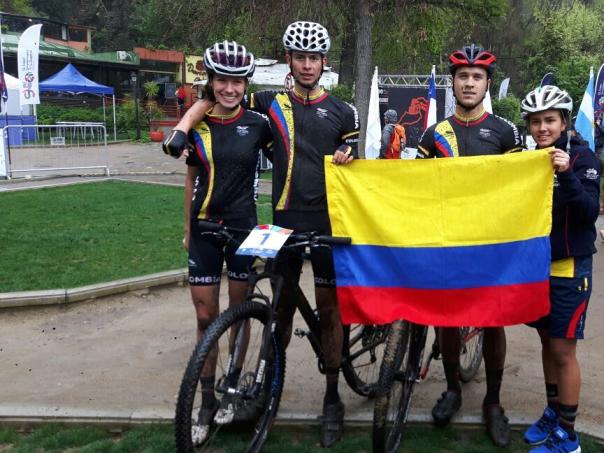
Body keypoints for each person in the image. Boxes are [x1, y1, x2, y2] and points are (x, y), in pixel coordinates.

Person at [164, 22, 359, 448]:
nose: (306, 65)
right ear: (288, 60)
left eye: (313, 58)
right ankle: (267, 389)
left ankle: (332, 399)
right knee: (279, 313)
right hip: (283, 224)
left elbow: (356, 158)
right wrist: (182, 129)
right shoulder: (266, 103)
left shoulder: (344, 112)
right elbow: (214, 100)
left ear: (324, 62)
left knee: (330, 312)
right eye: (299, 57)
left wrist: (352, 152)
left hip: (329, 223)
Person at [162, 40, 273, 445]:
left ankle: (232, 388)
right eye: (222, 81)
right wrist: (187, 228)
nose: (229, 88)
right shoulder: (199, 124)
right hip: (205, 229)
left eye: (237, 82)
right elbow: (191, 178)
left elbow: (290, 164)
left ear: (246, 84)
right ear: (210, 81)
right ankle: (206, 402)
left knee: (239, 315)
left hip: (244, 229)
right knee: (205, 318)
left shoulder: (259, 124)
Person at [418, 44, 522, 447]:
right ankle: (452, 389)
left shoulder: (505, 132)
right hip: (447, 239)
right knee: (447, 319)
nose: (469, 83)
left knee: (492, 321)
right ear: (453, 82)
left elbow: (521, 186)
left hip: (490, 243)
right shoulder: (434, 134)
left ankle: (493, 402)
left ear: (487, 84)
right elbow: (414, 186)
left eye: (477, 77)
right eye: (463, 76)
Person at [520, 85, 600, 453]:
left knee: (563, 350)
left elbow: (588, 213)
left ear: (564, 122)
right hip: (538, 268)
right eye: (535, 122)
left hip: (571, 268)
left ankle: (569, 436)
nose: (542, 128)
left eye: (550, 120)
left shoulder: (584, 158)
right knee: (546, 343)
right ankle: (553, 413)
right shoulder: (529, 159)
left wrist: (566, 173)